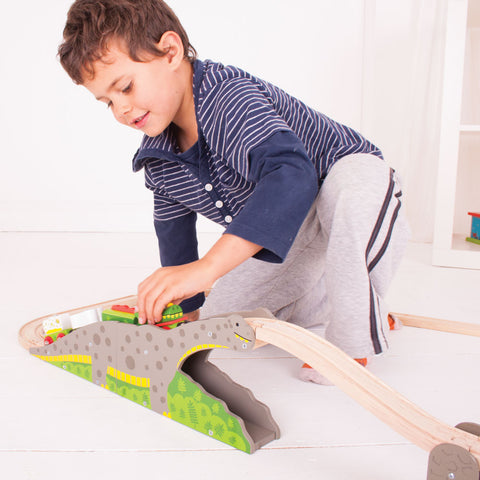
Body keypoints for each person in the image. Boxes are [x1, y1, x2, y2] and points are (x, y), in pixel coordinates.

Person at [58, 0, 410, 384]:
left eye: (125, 87)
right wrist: (187, 307)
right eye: (108, 102)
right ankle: (352, 304)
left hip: (349, 181)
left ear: (170, 51)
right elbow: (174, 236)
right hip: (293, 232)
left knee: (350, 191)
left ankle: (352, 339)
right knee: (222, 318)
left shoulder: (226, 97)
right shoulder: (159, 158)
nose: (121, 109)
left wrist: (207, 268)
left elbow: (291, 176)